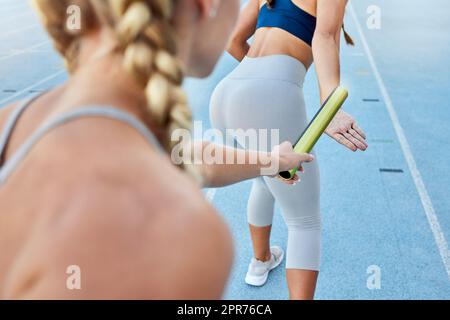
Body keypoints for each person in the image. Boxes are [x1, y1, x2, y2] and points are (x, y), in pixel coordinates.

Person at [0, 0, 314, 299]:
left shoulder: (11, 123)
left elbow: (182, 156)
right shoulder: (180, 231)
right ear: (205, 5)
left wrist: (272, 161)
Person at [210, 0, 368, 299]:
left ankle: (261, 261)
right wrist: (329, 106)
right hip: (264, 96)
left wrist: (256, 86)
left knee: (265, 179)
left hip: (226, 95)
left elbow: (233, 40)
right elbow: (325, 36)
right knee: (305, 222)